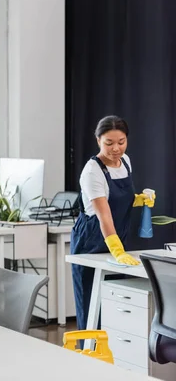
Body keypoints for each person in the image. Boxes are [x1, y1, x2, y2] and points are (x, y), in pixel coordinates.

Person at [71, 115, 155, 331]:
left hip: (116, 238)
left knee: (114, 297)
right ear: (98, 140)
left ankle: (114, 356)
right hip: (91, 241)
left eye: (121, 142)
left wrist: (139, 200)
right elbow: (104, 215)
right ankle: (88, 354)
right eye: (109, 143)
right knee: (91, 303)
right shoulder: (92, 171)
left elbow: (119, 200)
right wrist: (117, 252)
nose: (116, 148)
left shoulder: (125, 162)